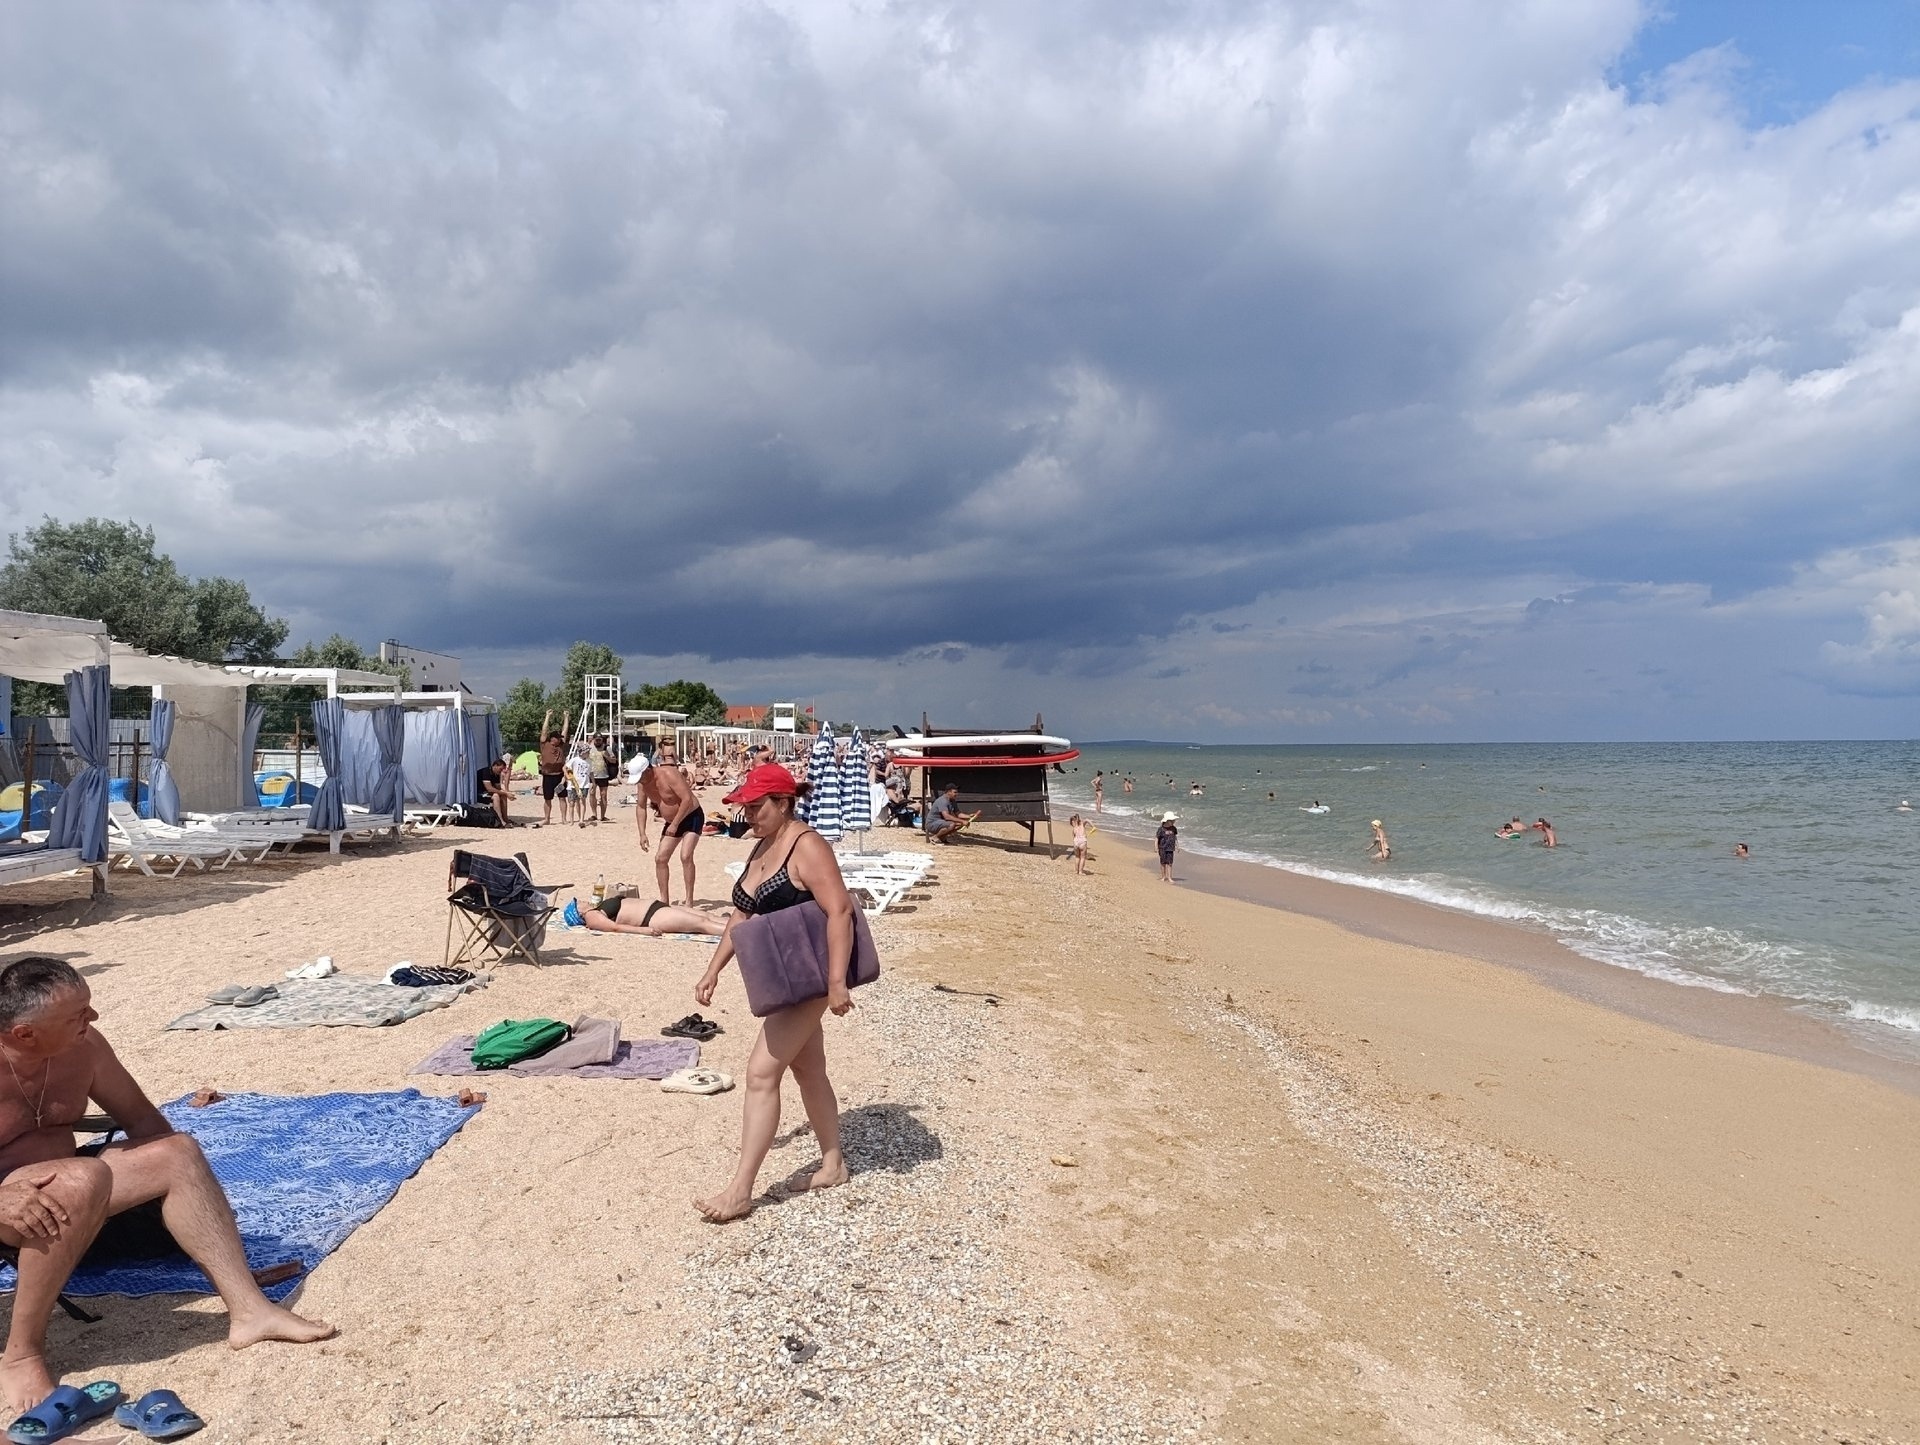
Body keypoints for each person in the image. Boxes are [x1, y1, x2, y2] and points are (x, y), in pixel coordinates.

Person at [0, 958, 334, 1412]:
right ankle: (22, 1354)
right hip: (9, 1205)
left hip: (67, 1186)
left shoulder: (85, 1046)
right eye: (78, 1014)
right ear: (24, 1034)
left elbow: (144, 1124)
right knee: (84, 1176)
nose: (93, 1017)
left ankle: (250, 1309)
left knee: (177, 1151)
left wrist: (199, 1228)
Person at [691, 765, 856, 1223]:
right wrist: (713, 969)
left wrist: (837, 982)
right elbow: (741, 914)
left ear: (783, 803)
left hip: (812, 975)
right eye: (744, 807)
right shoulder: (763, 843)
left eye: (756, 806)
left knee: (761, 1073)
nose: (747, 815)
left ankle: (740, 1191)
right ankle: (833, 1165)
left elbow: (840, 911)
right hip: (786, 976)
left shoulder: (808, 846)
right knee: (809, 1070)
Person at [640, 740, 703, 905]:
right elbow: (640, 807)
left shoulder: (669, 773)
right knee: (660, 858)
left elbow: (687, 799)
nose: (640, 780)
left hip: (691, 816)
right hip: (671, 821)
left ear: (648, 770)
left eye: (641, 776)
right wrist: (642, 833)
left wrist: (675, 824)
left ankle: (689, 900)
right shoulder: (642, 784)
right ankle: (664, 900)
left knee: (686, 856)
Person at [573, 888, 728, 936]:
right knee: (702, 924)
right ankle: (735, 934)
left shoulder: (597, 908)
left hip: (657, 907)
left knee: (708, 916)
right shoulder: (591, 917)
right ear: (578, 913)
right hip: (652, 917)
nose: (581, 901)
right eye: (578, 903)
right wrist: (643, 931)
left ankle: (740, 925)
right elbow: (614, 927)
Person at [536, 709, 570, 826]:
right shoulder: (544, 744)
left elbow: (565, 731)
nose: (560, 739)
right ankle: (547, 819)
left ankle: (564, 819)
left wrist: (566, 717)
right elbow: (544, 731)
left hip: (559, 776)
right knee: (547, 798)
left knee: (562, 797)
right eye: (558, 738)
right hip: (548, 776)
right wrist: (547, 716)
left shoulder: (561, 745)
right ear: (553, 738)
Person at [476, 755, 512, 827]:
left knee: (503, 796)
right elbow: (489, 788)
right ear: (495, 766)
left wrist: (506, 793)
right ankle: (500, 820)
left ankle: (505, 818)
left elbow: (498, 788)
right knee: (496, 796)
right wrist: (505, 793)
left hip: (486, 793)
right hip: (479, 793)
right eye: (500, 769)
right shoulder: (486, 772)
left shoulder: (496, 774)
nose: (501, 771)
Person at [589, 734, 615, 822]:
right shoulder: (589, 747)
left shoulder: (607, 748)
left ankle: (603, 816)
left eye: (600, 740)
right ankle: (594, 814)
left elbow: (614, 760)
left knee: (603, 795)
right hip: (592, 775)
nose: (598, 742)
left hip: (604, 775)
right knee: (592, 794)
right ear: (594, 739)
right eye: (597, 740)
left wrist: (606, 756)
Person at [567, 743, 593, 826]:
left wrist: (593, 783)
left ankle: (581, 819)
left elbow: (591, 773)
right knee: (571, 803)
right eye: (587, 752)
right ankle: (571, 820)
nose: (588, 753)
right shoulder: (574, 760)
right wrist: (569, 777)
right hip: (573, 785)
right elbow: (566, 768)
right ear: (582, 752)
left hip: (584, 784)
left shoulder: (589, 761)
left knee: (582, 801)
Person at [1156, 813, 1178, 881]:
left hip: (1171, 848)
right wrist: (1156, 847)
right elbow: (1157, 838)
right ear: (1167, 821)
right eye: (1172, 821)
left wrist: (1177, 845)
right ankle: (1163, 876)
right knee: (1163, 863)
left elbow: (1175, 837)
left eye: (1174, 820)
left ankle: (1169, 877)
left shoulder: (1174, 828)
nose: (1173, 822)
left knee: (1170, 863)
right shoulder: (1161, 829)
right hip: (1162, 848)